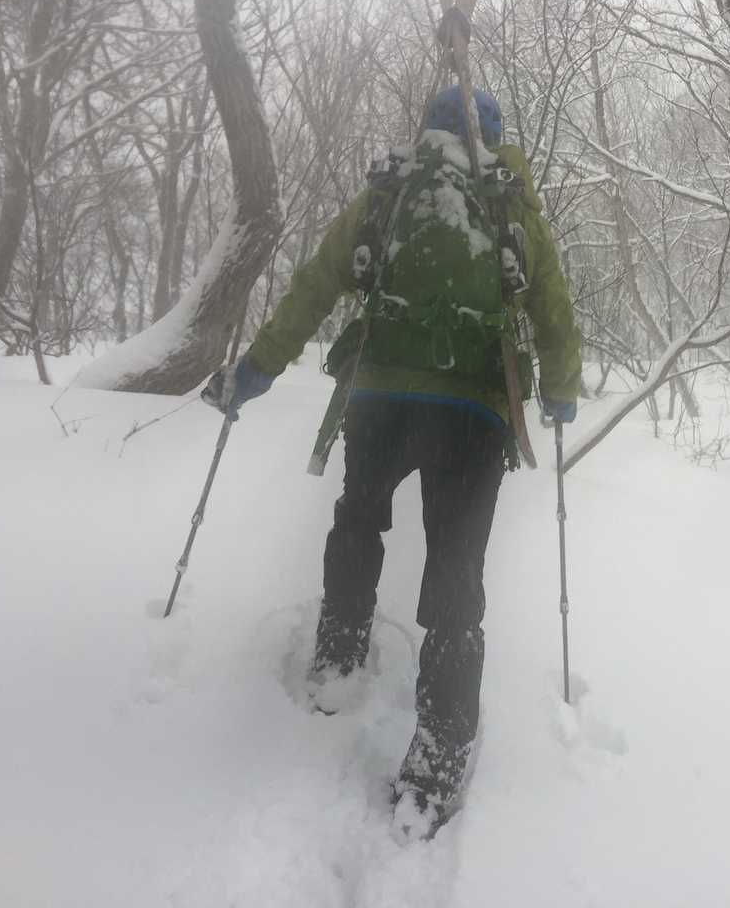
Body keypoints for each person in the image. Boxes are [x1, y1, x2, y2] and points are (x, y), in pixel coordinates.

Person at [204, 86, 582, 837]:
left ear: (427, 131)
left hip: (380, 399)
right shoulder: (511, 206)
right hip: (474, 413)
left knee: (358, 520)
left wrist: (257, 369)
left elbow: (316, 284)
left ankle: (338, 661)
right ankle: (438, 758)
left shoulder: (389, 190)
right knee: (456, 567)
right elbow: (554, 310)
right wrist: (561, 394)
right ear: (492, 139)